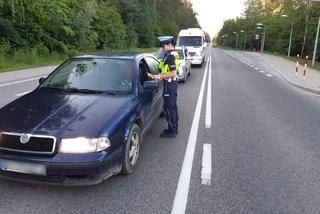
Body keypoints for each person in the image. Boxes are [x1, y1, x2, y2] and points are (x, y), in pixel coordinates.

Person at [149, 36, 179, 138]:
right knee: (172, 107)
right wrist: (157, 77)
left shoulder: (170, 56)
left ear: (170, 45)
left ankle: (172, 131)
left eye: (163, 45)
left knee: (169, 107)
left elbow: (173, 73)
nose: (162, 48)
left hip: (169, 86)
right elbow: (166, 71)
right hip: (171, 85)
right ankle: (174, 128)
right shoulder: (171, 55)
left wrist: (159, 76)